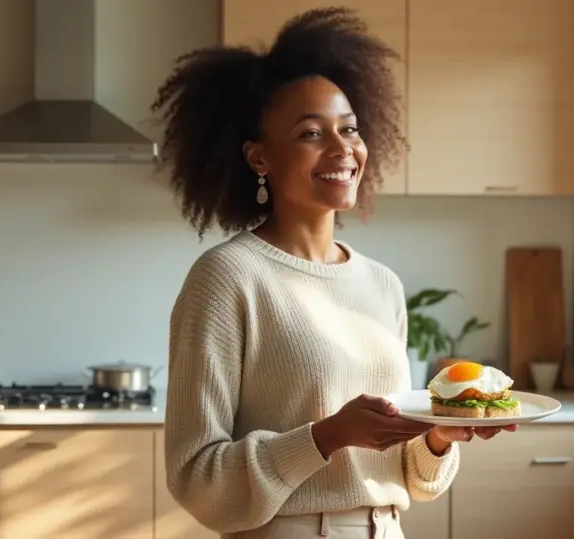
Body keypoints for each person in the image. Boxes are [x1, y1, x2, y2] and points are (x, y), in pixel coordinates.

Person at [153, 7, 515, 539]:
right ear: (259, 158)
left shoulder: (382, 285)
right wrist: (324, 437)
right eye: (311, 133)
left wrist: (438, 438)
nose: (343, 148)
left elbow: (414, 479)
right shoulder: (227, 278)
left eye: (349, 129)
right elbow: (197, 478)